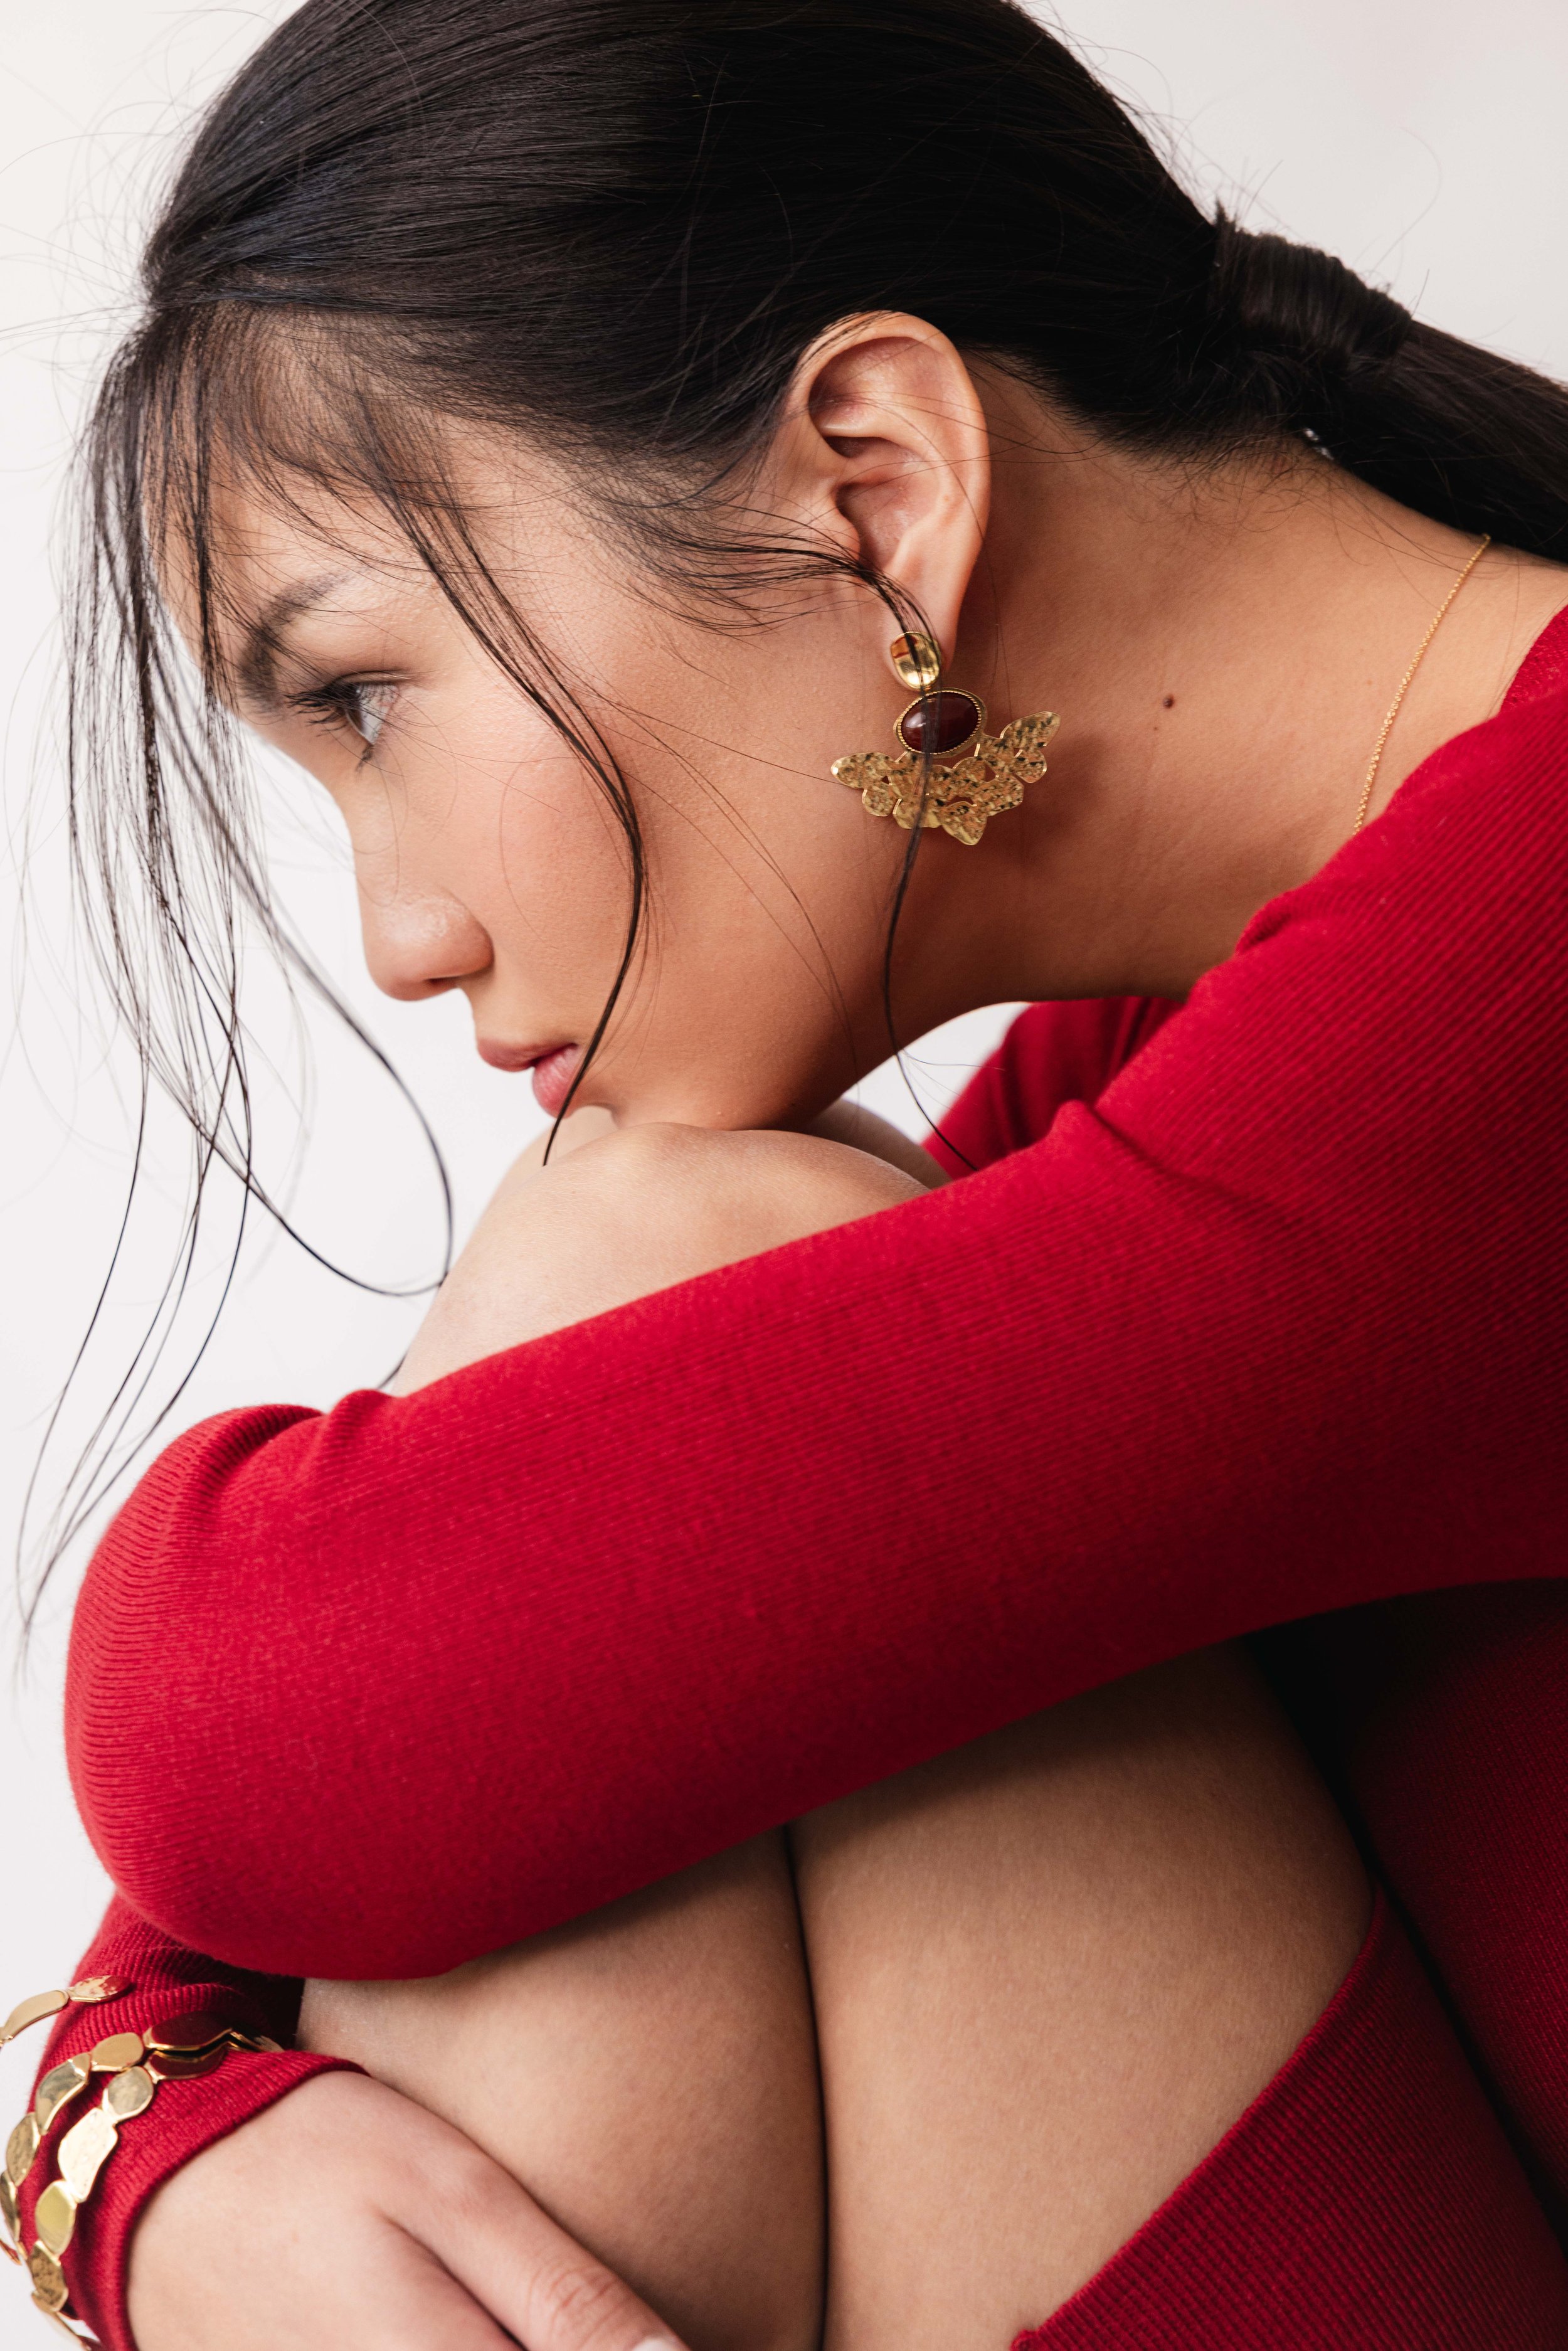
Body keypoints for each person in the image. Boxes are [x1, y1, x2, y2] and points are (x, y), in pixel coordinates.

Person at [6, 0, 1568, 2345]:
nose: (403, 932)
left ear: (871, 488)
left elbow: (240, 1727)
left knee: (661, 1243)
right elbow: (532, 1679)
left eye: (362, 697)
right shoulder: (1189, 1076)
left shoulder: (1504, 995)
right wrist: (129, 2143)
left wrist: (104, 2129)